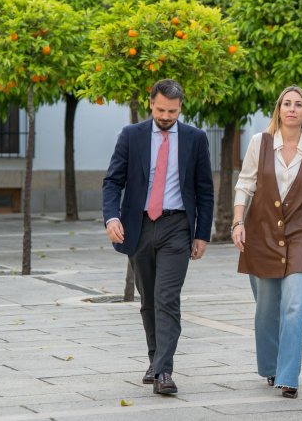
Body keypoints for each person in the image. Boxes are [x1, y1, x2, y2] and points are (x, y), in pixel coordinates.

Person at [102, 79, 214, 395]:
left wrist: (202, 234)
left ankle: (164, 371)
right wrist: (111, 217)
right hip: (138, 226)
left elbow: (205, 191)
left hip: (177, 226)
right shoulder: (131, 135)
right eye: (161, 109)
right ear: (151, 103)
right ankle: (155, 359)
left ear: (181, 108)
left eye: (172, 111)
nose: (166, 116)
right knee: (149, 300)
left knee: (167, 297)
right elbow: (112, 182)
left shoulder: (195, 138)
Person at [231, 85, 302, 399]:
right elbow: (245, 184)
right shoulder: (259, 143)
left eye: (298, 105)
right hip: (261, 233)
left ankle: (288, 376)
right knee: (266, 309)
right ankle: (271, 365)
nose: (292, 109)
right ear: (279, 110)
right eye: (286, 103)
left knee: (294, 307)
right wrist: (238, 222)